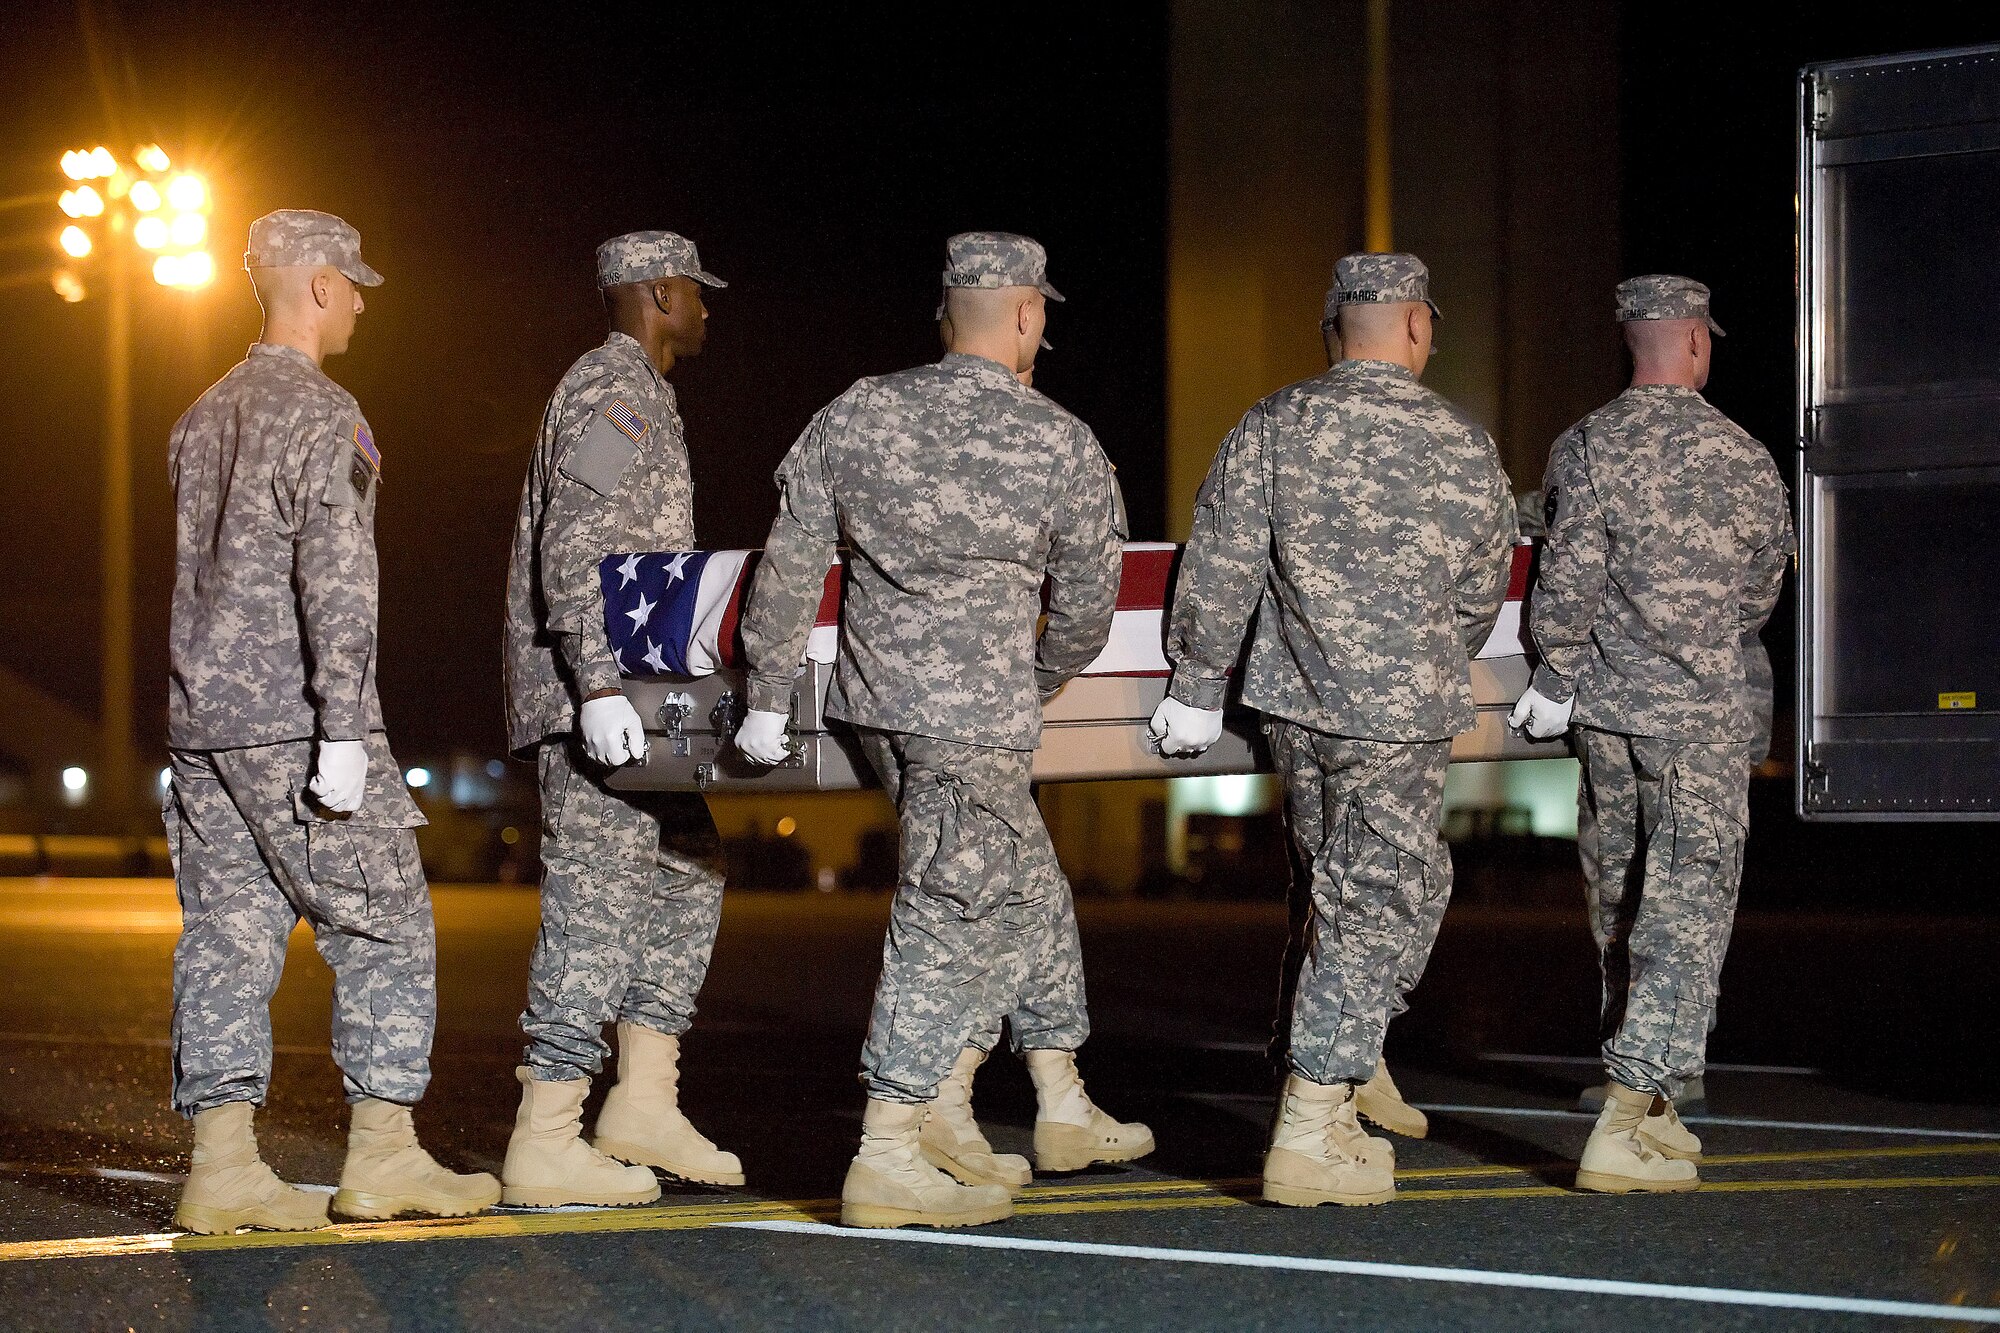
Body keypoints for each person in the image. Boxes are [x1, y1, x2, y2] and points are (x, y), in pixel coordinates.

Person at [735, 232, 1138, 1228]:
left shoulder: (857, 410)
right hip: (978, 717)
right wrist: (1033, 678)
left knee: (1019, 886)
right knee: (950, 915)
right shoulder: (1058, 438)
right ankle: (887, 1148)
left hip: (878, 708)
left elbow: (788, 564)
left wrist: (767, 692)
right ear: (1028, 314)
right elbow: (1090, 601)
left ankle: (1030, 1105)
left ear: (945, 312)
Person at [1151, 253, 1515, 1207]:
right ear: (1418, 326)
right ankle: (1312, 1125)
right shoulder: (1460, 441)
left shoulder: (1273, 423)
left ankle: (1345, 1070)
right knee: (1381, 901)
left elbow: (1222, 561)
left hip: (1296, 707)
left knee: (1334, 894)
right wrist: (1419, 653)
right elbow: (1482, 590)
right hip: (1399, 713)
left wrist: (1197, 682)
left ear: (1332, 332)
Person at [164, 209, 499, 1233]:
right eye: (351, 283)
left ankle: (223, 1166)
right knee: (386, 923)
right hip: (296, 719)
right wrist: (344, 726)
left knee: (226, 936)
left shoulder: (201, 416)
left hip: (203, 724)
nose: (358, 301)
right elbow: (337, 576)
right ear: (316, 286)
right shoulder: (325, 412)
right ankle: (385, 1156)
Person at [1509, 275, 1792, 1193]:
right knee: (1686, 909)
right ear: (1697, 343)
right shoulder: (1744, 456)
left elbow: (1566, 582)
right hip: (1699, 720)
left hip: (1606, 716)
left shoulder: (1585, 445)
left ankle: (1649, 1094)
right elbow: (1758, 596)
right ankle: (1629, 1112)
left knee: (1621, 898)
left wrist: (1559, 672)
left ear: (1629, 343)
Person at [499, 231, 739, 1207]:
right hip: (595, 701)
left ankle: (642, 1101)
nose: (707, 308)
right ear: (657, 292)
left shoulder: (645, 393)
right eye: (695, 290)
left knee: (689, 869)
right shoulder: (613, 390)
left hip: (643, 701)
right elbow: (576, 538)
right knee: (596, 901)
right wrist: (595, 684)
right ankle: (546, 1136)